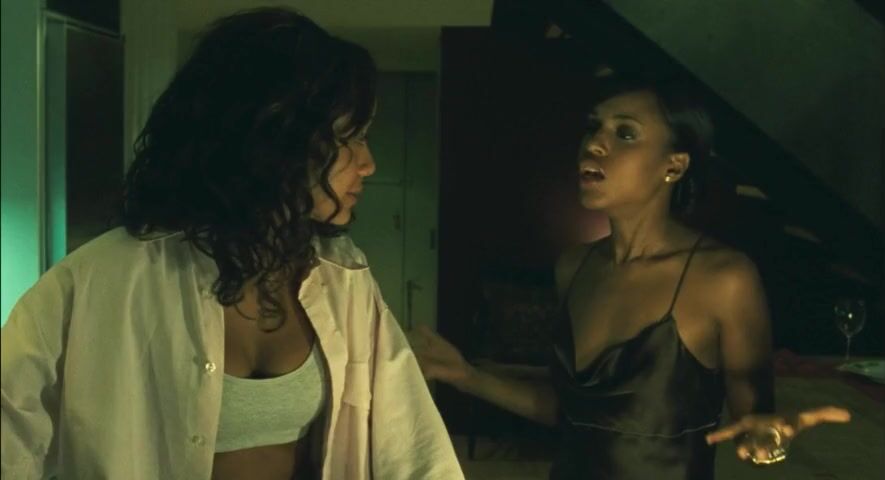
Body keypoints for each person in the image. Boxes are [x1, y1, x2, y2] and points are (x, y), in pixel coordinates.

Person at [1, 8, 463, 480]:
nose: (368, 164)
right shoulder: (103, 278)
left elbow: (414, 446)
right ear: (276, 138)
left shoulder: (341, 279)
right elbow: (10, 427)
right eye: (353, 139)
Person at [412, 74, 850, 479]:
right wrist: (466, 375)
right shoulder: (574, 267)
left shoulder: (724, 278)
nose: (594, 144)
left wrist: (768, 436)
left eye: (624, 133)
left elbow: (753, 419)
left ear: (674, 166)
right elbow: (573, 413)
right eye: (593, 127)